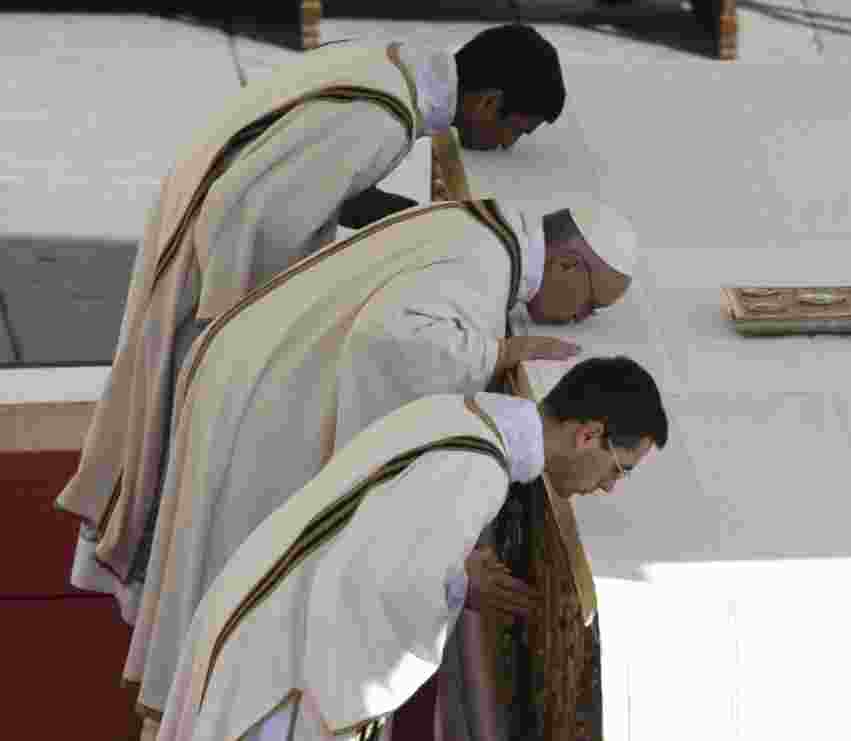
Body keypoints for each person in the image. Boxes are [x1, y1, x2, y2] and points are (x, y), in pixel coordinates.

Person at [56, 24, 567, 620]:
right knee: (186, 425)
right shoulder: (380, 120)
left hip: (192, 208)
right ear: (487, 102)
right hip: (216, 272)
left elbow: (325, 188)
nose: (505, 145)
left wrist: (426, 226)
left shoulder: (380, 61)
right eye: (513, 128)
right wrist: (267, 316)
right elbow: (265, 219)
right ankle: (162, 595)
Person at [126, 196, 641, 733]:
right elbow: (386, 340)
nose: (584, 318)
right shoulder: (475, 456)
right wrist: (496, 353)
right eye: (590, 304)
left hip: (256, 386)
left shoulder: (457, 397)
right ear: (565, 266)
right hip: (271, 412)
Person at [155, 356, 669, 741]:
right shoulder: (478, 473)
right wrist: (455, 583)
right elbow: (387, 590)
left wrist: (452, 574)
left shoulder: (461, 415)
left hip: (258, 611)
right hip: (283, 666)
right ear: (588, 436)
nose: (609, 488)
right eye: (619, 469)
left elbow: (382, 539)